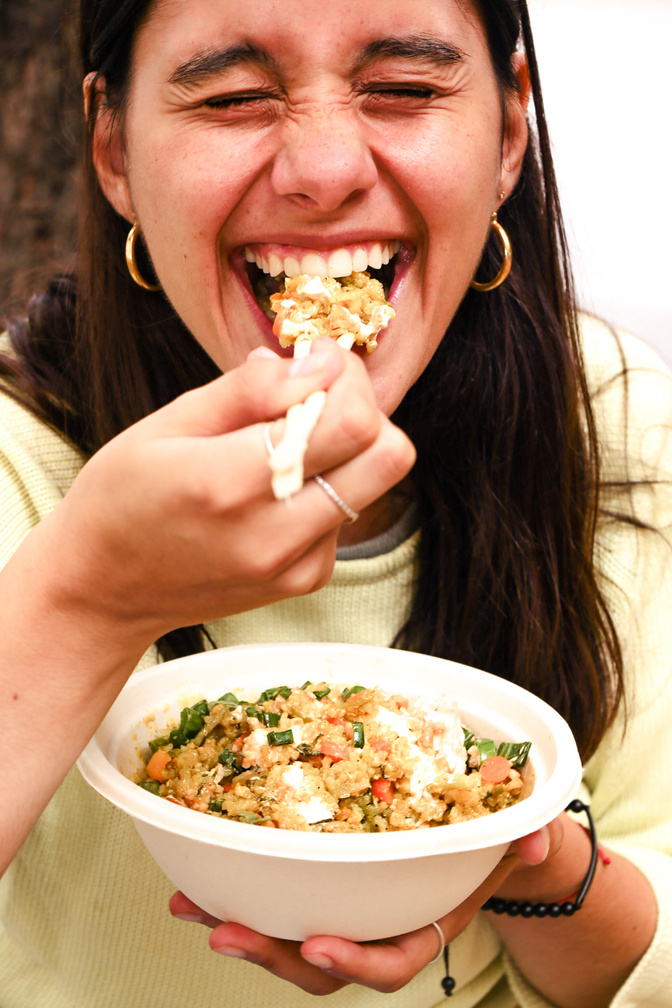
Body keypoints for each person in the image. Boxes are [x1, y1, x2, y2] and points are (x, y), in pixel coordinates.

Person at [1, 0, 670, 1006]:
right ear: (114, 151)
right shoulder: (16, 458)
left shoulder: (618, 421)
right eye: (232, 97)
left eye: (404, 89)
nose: (323, 170)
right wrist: (84, 599)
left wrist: (517, 849)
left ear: (510, 131)